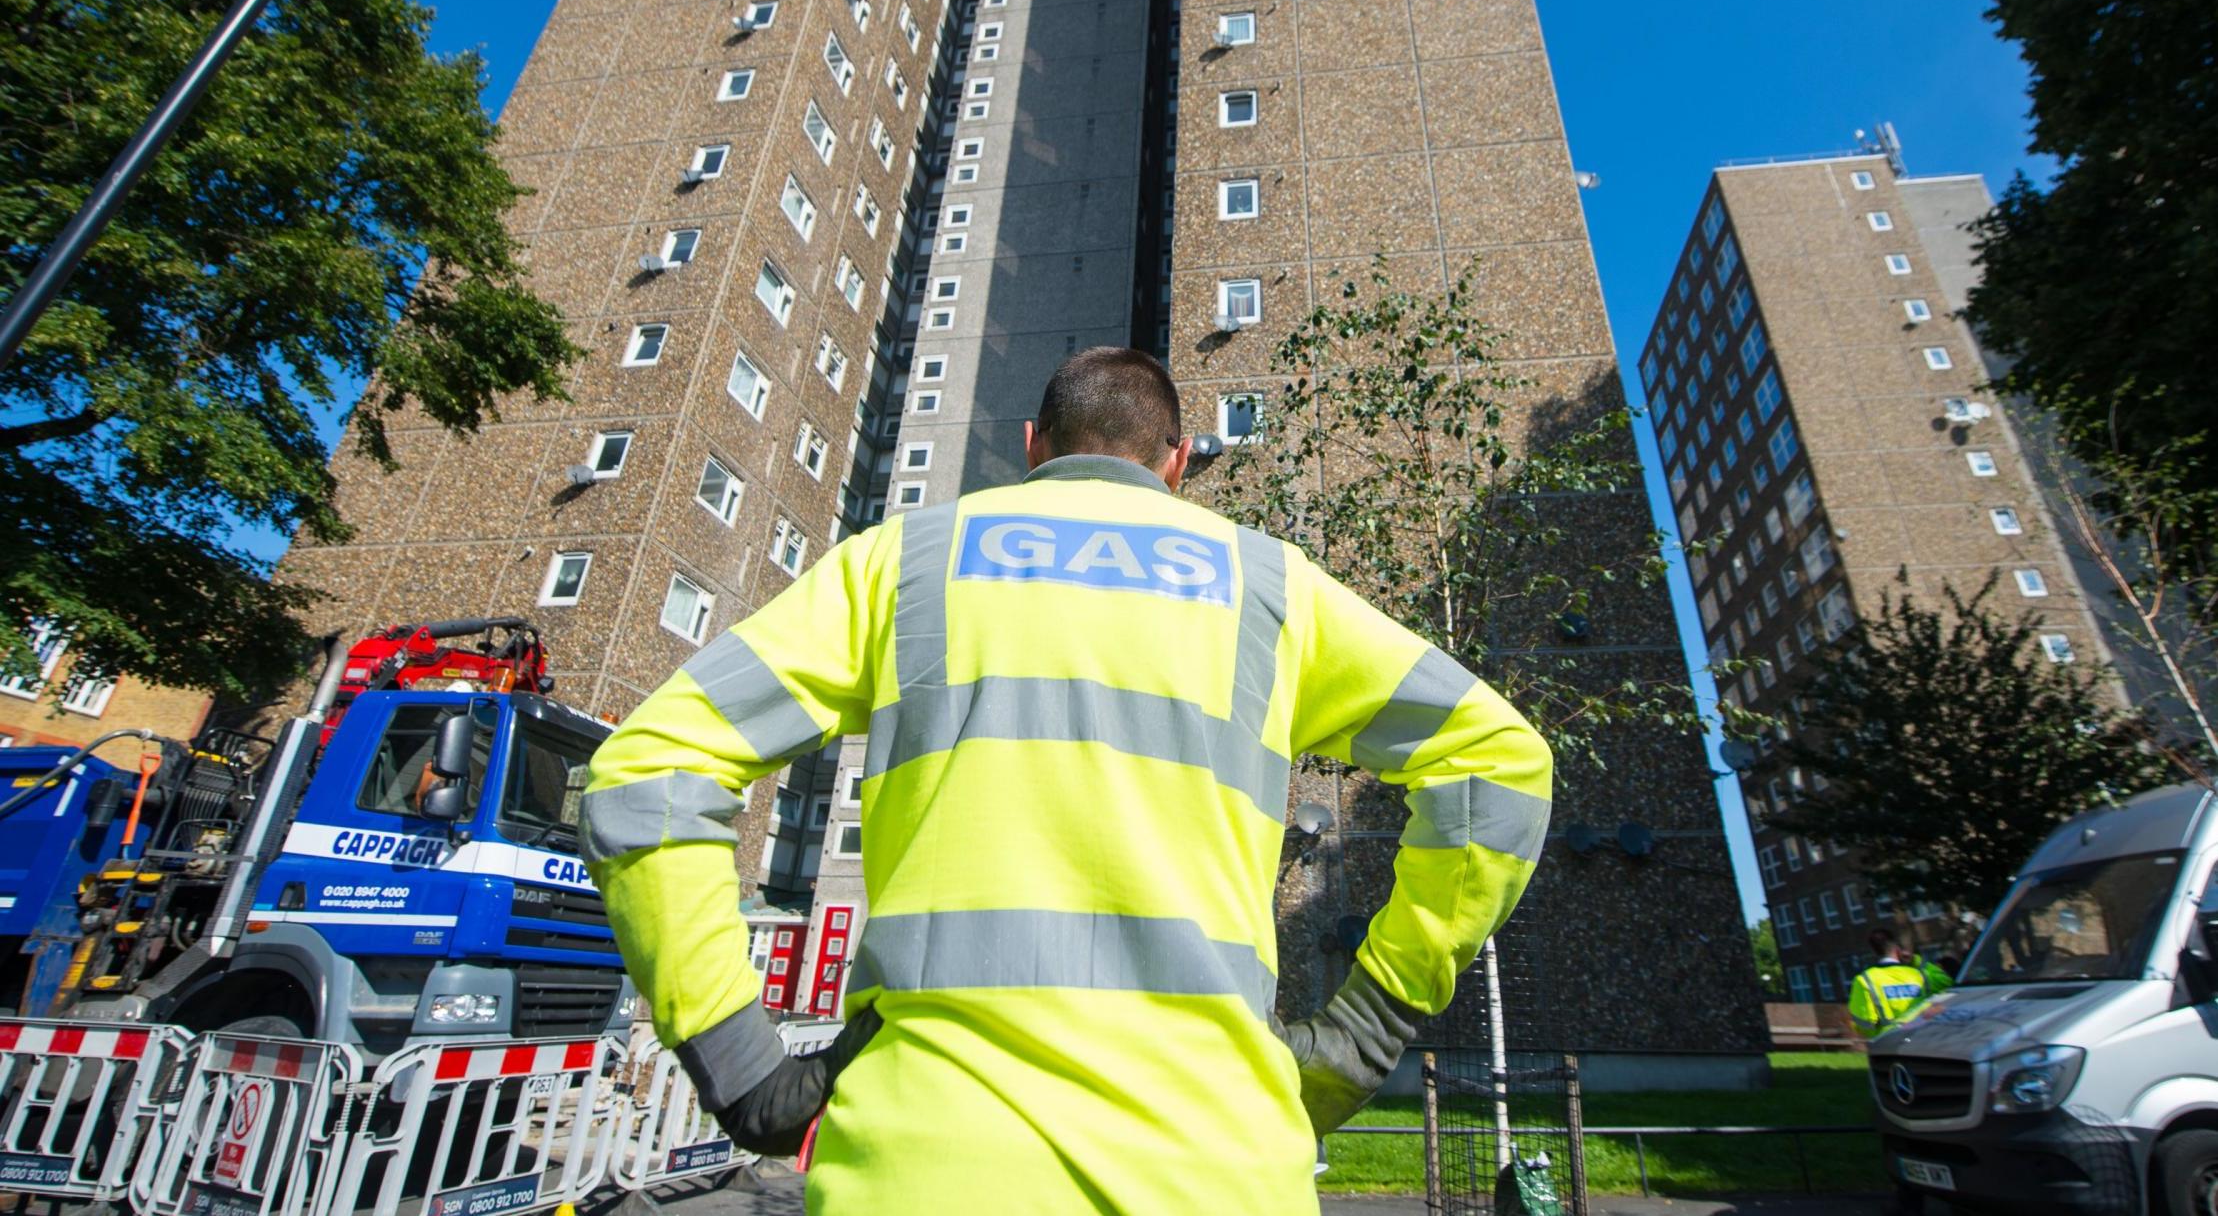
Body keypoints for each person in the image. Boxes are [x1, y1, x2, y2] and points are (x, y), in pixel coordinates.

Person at [583, 347, 1553, 1213]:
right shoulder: (1270, 586)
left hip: (922, 1170)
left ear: (1031, 445)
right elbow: (1499, 763)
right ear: (1177, 464)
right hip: (1219, 1171)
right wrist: (1363, 1027)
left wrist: (743, 1066)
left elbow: (647, 767)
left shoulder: (907, 561)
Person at [1848, 928, 1936, 1038]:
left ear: (1874, 952)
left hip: (1889, 1043)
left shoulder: (1864, 979)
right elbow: (1948, 982)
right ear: (1898, 950)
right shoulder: (1920, 975)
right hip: (1923, 1039)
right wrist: (1915, 959)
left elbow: (1864, 1023)